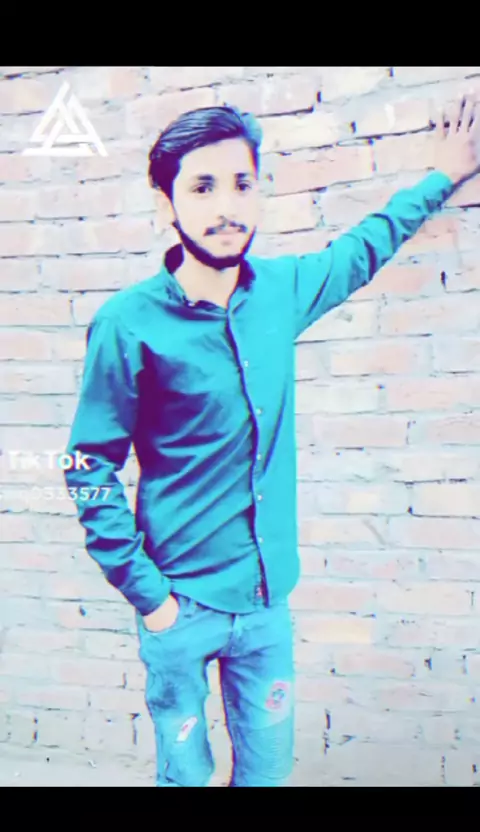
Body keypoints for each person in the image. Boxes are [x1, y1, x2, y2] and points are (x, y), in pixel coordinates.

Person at [63, 93, 480, 787]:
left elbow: (362, 249)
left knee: (266, 775)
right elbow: (87, 466)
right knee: (185, 778)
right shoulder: (127, 323)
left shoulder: (280, 292)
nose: (226, 207)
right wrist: (151, 599)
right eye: (202, 187)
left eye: (241, 183)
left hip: (265, 604)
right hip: (179, 605)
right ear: (166, 204)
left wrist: (442, 175)